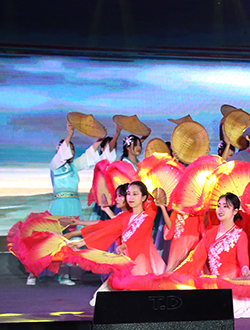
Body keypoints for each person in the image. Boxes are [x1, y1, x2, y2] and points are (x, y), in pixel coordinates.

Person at [177, 193, 250, 318]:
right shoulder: (210, 234)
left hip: (232, 286)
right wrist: (176, 274)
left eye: (226, 206)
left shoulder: (240, 235)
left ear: (235, 211)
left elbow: (243, 257)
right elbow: (195, 258)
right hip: (214, 284)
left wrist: (245, 268)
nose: (220, 210)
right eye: (219, 206)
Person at [66, 181, 166, 305]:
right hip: (124, 262)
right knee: (97, 300)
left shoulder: (148, 214)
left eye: (135, 194)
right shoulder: (124, 217)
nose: (131, 197)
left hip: (142, 261)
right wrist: (81, 242)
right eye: (128, 194)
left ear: (144, 197)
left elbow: (139, 233)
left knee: (142, 298)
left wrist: (125, 245)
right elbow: (105, 229)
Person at [46, 121, 103, 286]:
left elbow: (87, 157)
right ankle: (50, 272)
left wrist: (99, 139)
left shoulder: (73, 166)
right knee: (57, 238)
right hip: (60, 204)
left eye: (72, 149)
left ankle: (66, 273)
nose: (70, 151)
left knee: (72, 237)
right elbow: (61, 156)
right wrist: (70, 134)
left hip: (73, 203)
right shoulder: (55, 165)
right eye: (67, 148)